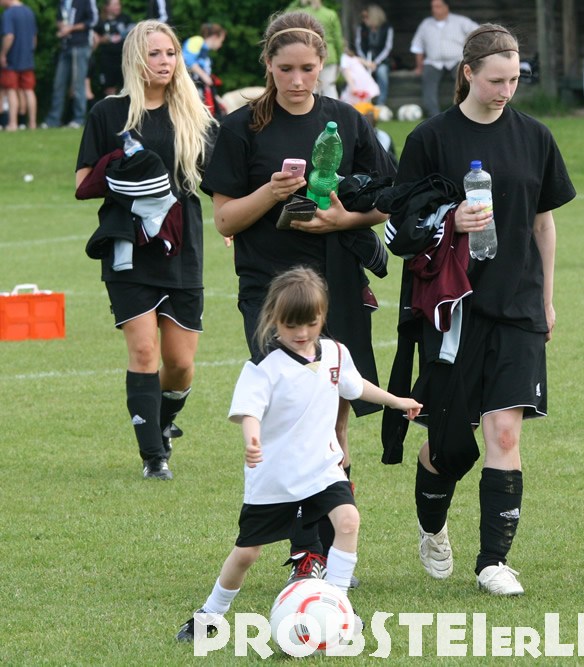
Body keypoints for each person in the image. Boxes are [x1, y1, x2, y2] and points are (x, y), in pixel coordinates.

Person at [200, 10, 396, 580]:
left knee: (334, 424)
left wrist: (342, 220)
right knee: (290, 417)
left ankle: (327, 552)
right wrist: (271, 192)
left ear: (322, 65)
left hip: (337, 284)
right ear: (268, 64)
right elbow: (225, 220)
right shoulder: (240, 127)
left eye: (308, 68)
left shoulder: (347, 121)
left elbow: (389, 199)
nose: (297, 79)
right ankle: (306, 552)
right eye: (285, 68)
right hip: (269, 291)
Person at [385, 23, 575, 596]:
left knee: (505, 433)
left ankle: (493, 561)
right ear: (467, 73)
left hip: (518, 305)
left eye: (514, 80)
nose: (506, 91)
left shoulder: (536, 136)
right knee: (449, 447)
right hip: (452, 312)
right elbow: (399, 230)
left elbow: (544, 224)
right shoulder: (430, 138)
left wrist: (546, 299)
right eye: (496, 80)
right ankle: (432, 527)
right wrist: (450, 220)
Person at [176, 266, 421, 641]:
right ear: (274, 319)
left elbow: (355, 386)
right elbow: (249, 410)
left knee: (348, 521)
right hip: (275, 478)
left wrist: (396, 401)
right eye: (292, 325)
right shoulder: (264, 367)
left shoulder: (335, 353)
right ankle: (210, 614)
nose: (302, 333)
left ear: (322, 316)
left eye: (310, 323)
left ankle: (336, 606)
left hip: (323, 469)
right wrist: (252, 439)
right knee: (247, 554)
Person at [75, 20, 215, 480]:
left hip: (183, 245)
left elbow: (216, 180)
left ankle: (163, 422)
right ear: (136, 58)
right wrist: (123, 166)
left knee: (180, 364)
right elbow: (83, 182)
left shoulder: (192, 112)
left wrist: (233, 223)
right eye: (155, 53)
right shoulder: (109, 113)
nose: (165, 61)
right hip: (129, 247)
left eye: (171, 53)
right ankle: (154, 458)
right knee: (142, 352)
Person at [409, 0, 477, 117]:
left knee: (463, 81)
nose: (434, 9)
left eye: (438, 6)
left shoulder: (460, 21)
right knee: (428, 81)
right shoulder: (426, 24)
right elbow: (417, 46)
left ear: (446, 7)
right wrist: (419, 67)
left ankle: (461, 112)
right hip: (433, 62)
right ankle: (434, 115)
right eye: (433, 7)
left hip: (457, 60)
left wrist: (472, 57)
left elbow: (478, 34)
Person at [43, 0, 97, 129]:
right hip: (65, 45)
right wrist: (61, 27)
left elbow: (93, 20)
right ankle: (54, 119)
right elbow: (59, 18)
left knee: (78, 84)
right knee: (59, 84)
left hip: (80, 45)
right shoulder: (63, 2)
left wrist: (71, 28)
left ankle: (79, 118)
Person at [286, 0, 343, 99]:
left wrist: (298, 2)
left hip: (308, 53)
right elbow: (338, 39)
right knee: (329, 87)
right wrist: (340, 59)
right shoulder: (331, 14)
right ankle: (333, 109)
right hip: (329, 54)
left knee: (311, 87)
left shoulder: (304, 13)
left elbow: (286, 17)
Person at [0, 0, 38, 131]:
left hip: (12, 59)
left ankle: (13, 123)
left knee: (11, 90)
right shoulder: (29, 12)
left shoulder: (8, 14)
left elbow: (9, 36)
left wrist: (3, 54)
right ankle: (32, 123)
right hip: (27, 59)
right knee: (29, 90)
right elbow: (34, 38)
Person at [182, 22, 226, 118]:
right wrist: (204, 75)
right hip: (191, 87)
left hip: (200, 88)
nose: (221, 44)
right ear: (215, 37)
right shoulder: (197, 40)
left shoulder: (205, 52)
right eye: (221, 41)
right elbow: (187, 58)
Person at [353, 3, 392, 105]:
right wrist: (366, 61)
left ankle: (380, 103)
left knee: (382, 72)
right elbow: (358, 45)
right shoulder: (361, 28)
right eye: (363, 17)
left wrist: (376, 62)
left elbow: (387, 47)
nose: (364, 19)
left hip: (381, 60)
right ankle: (362, 102)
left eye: (366, 17)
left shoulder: (387, 28)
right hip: (365, 60)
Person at [92, 0, 132, 98]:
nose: (118, 7)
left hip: (123, 59)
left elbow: (133, 34)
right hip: (107, 60)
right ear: (107, 7)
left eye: (118, 4)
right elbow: (94, 39)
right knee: (109, 89)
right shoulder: (100, 21)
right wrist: (102, 39)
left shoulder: (125, 18)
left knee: (127, 87)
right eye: (114, 5)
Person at [352, 100, 395, 166]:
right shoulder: (351, 138)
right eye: (366, 115)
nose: (371, 118)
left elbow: (392, 165)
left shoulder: (384, 137)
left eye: (372, 114)